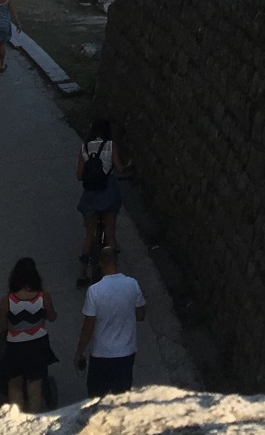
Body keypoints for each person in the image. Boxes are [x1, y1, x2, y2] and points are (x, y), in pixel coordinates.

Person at [74, 246, 145, 396]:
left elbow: (88, 327)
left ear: (100, 263)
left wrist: (79, 352)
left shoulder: (94, 291)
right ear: (117, 262)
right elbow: (140, 315)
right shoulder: (132, 284)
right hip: (126, 352)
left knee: (97, 397)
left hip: (101, 354)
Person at [0, 256, 58, 410]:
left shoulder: (8, 300)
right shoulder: (43, 297)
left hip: (16, 347)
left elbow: (2, 324)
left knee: (15, 385)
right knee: (35, 387)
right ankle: (35, 420)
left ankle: (18, 419)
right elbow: (52, 317)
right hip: (38, 345)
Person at [75, 119, 128, 283]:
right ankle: (113, 272)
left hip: (91, 196)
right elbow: (120, 168)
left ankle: (82, 274)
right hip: (109, 194)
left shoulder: (84, 147)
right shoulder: (110, 145)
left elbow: (79, 175)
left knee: (89, 236)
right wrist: (129, 165)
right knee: (110, 234)